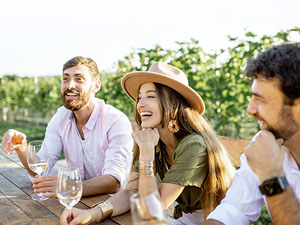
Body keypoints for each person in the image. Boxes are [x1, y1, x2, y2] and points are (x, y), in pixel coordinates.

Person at [60, 62, 236, 225]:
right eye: (139, 97)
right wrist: (93, 213)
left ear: (172, 102)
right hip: (182, 218)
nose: (140, 105)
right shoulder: (152, 137)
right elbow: (131, 192)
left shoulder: (193, 145)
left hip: (216, 219)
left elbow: (152, 208)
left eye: (150, 96)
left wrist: (146, 151)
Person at [1, 56, 133, 198]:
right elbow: (40, 169)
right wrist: (21, 146)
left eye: (79, 79)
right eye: (65, 79)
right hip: (77, 202)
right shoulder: (60, 117)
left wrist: (70, 186)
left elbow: (114, 181)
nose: (69, 85)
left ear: (96, 85)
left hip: (114, 206)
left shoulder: (116, 121)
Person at [203, 43, 300, 225]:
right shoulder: (266, 142)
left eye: (260, 99)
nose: (250, 109)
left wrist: (271, 174)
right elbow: (235, 209)